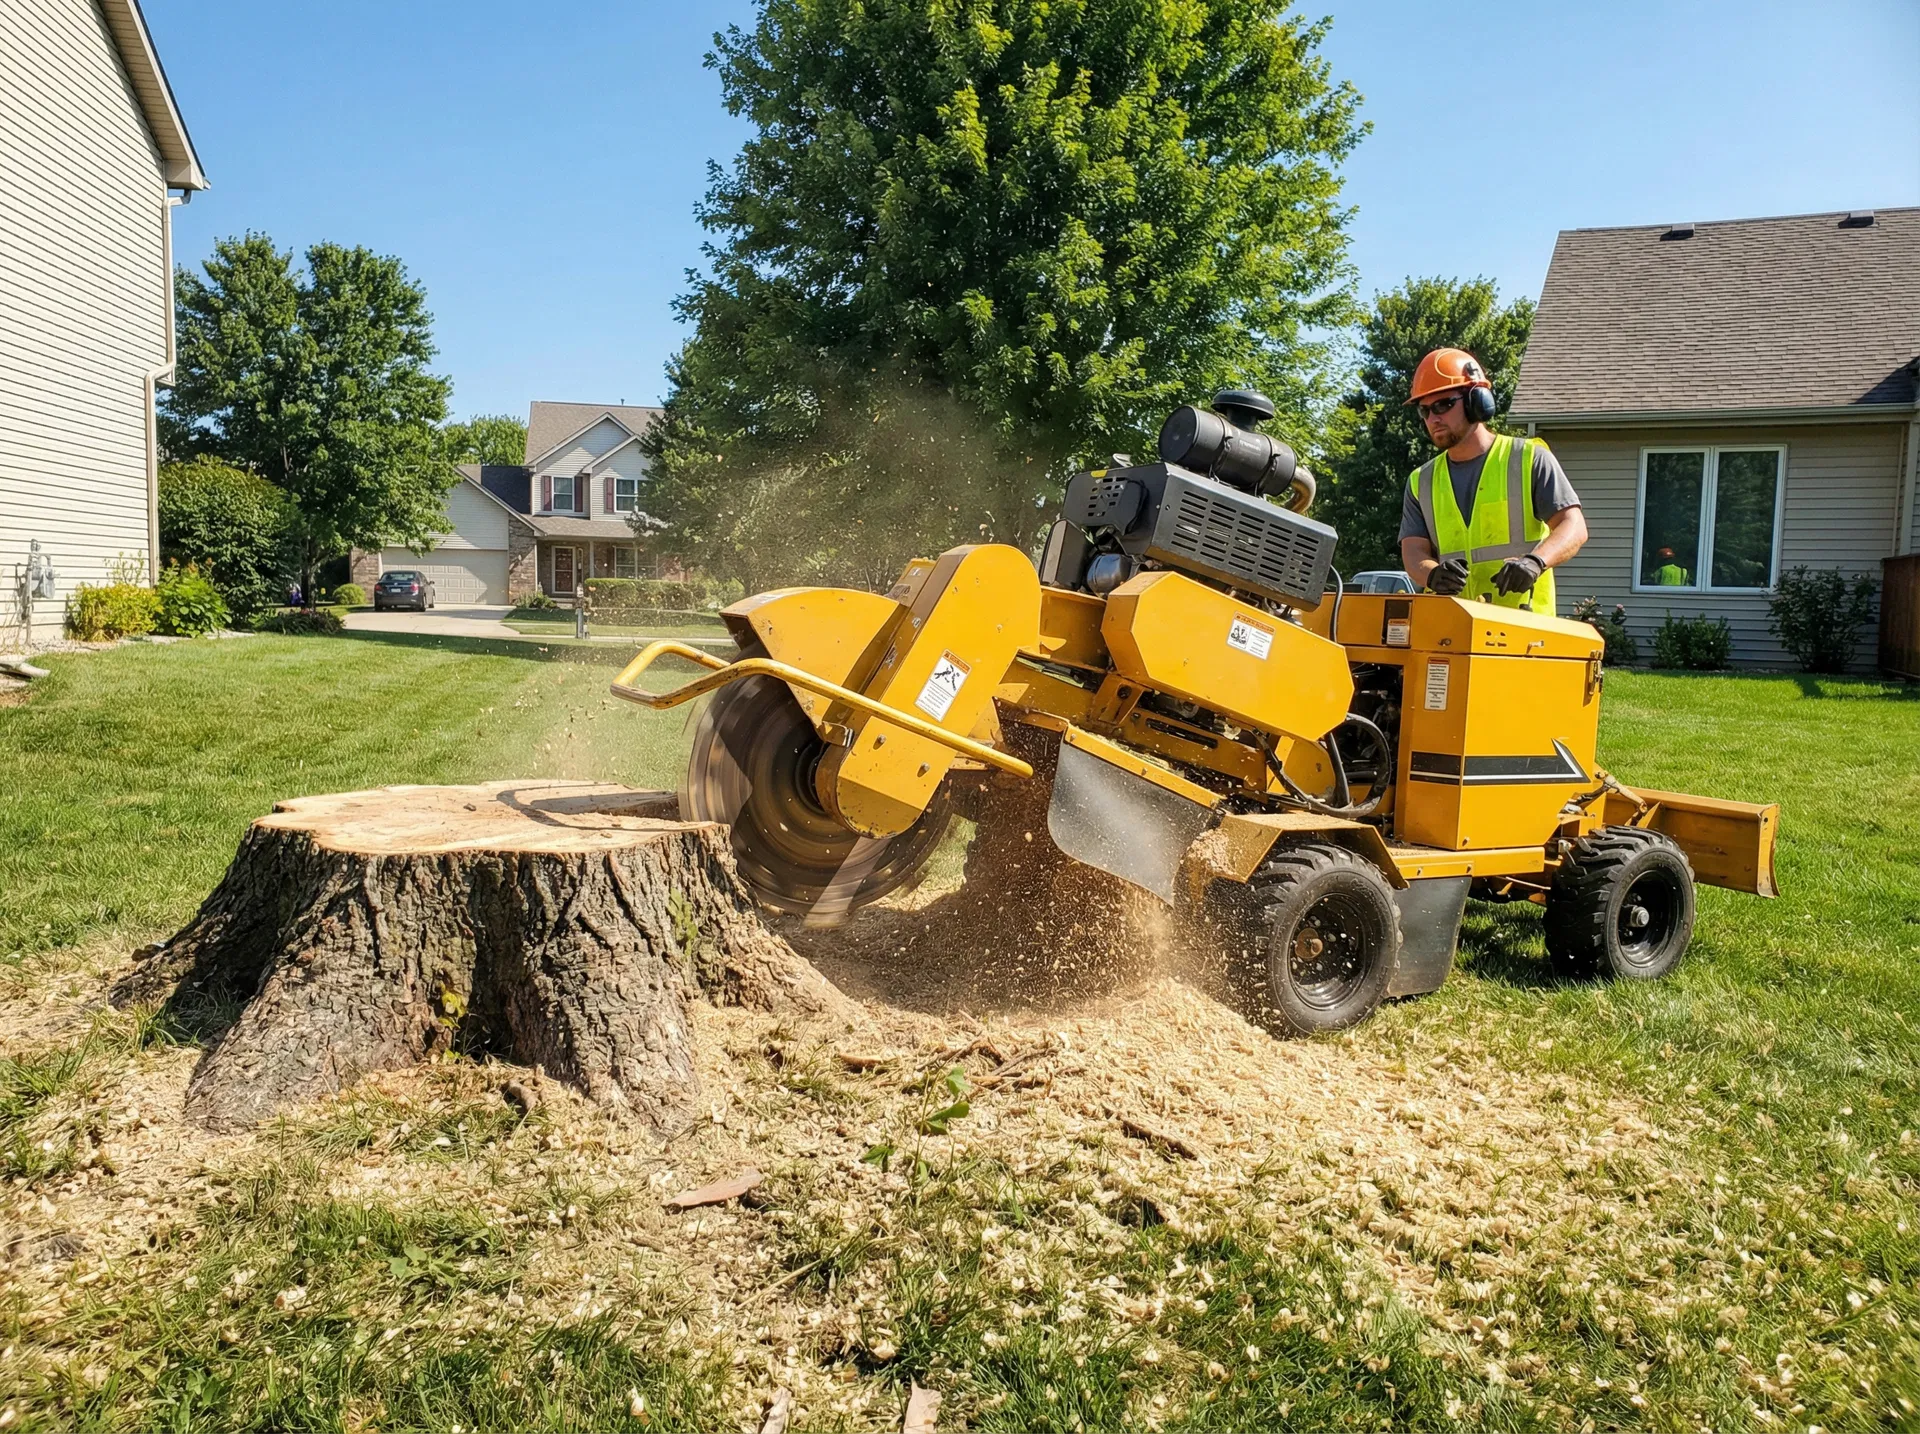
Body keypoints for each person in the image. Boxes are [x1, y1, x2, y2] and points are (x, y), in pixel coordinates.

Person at [1398, 348, 1587, 615]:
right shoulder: (1422, 481)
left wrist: (1535, 562)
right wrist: (1432, 574)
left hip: (1525, 631)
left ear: (1478, 401)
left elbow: (1574, 527)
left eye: (1443, 404)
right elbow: (1414, 552)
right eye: (1424, 410)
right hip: (1455, 629)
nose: (1433, 418)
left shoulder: (1528, 459)